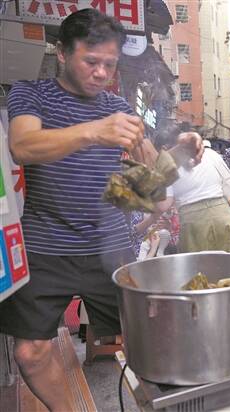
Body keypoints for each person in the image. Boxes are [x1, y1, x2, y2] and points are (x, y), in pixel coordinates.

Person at [0, 9, 202, 411]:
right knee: (30, 353)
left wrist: (180, 151)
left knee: (153, 338)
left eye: (110, 64)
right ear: (62, 52)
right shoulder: (30, 93)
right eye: (91, 61)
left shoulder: (119, 107)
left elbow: (151, 178)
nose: (101, 73)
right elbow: (23, 146)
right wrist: (94, 131)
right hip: (45, 246)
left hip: (110, 246)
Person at [161, 134, 230, 254]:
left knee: (198, 264)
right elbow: (228, 180)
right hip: (222, 214)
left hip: (192, 221)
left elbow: (164, 205)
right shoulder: (211, 154)